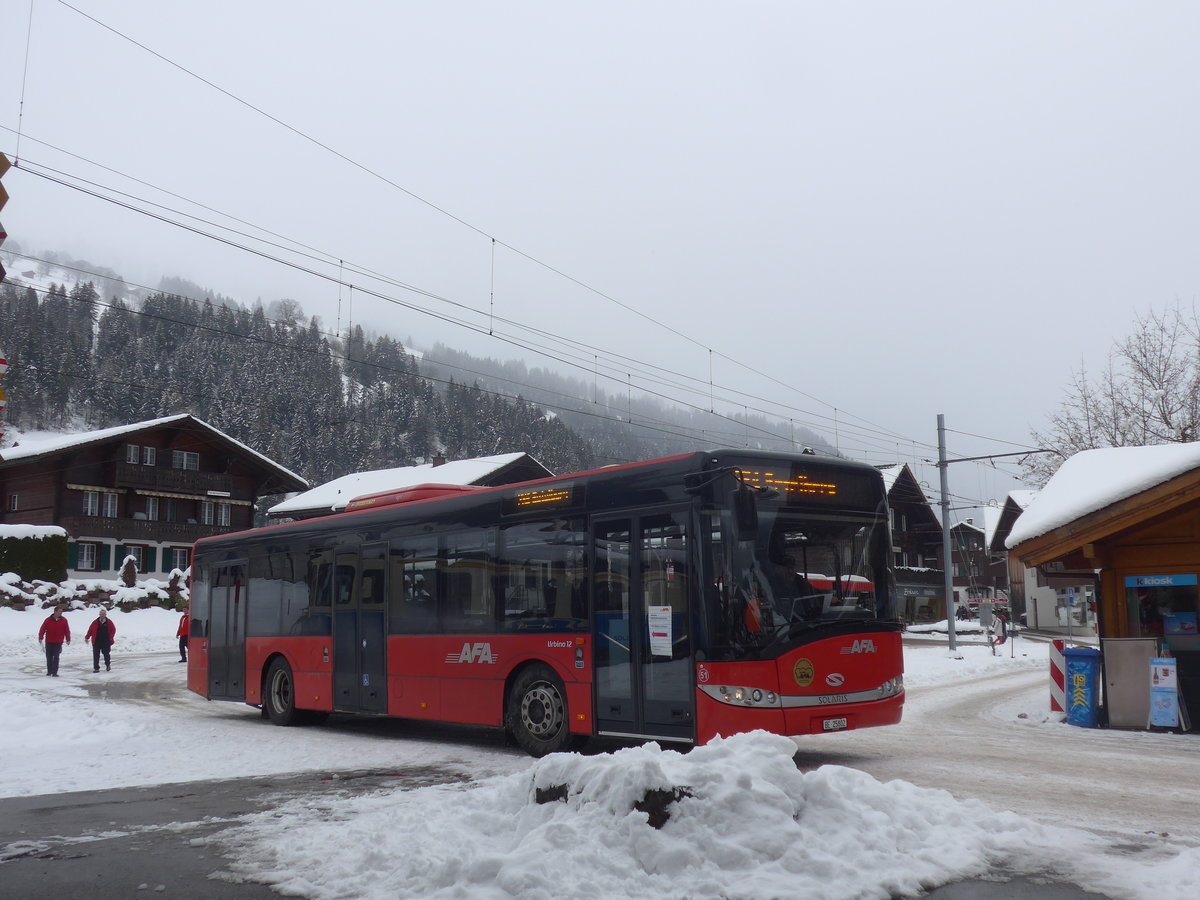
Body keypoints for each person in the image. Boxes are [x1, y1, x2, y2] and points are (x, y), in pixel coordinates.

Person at [38, 606, 71, 677]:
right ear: (55, 612)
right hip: (49, 641)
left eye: (61, 612)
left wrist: (68, 639)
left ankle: (55, 672)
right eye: (60, 611)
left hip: (58, 642)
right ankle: (49, 671)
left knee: (56, 657)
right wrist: (41, 637)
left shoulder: (64, 620)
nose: (61, 613)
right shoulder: (48, 620)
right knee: (49, 657)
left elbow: (67, 630)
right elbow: (42, 629)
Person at [85, 607, 117, 672]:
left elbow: (113, 630)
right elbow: (90, 630)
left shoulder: (109, 622)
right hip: (96, 641)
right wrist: (87, 637)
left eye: (103, 614)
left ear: (105, 615)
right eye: (101, 614)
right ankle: (96, 668)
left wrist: (110, 637)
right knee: (96, 655)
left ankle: (108, 665)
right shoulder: (95, 622)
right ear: (99, 615)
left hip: (106, 641)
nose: (102, 615)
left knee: (106, 654)